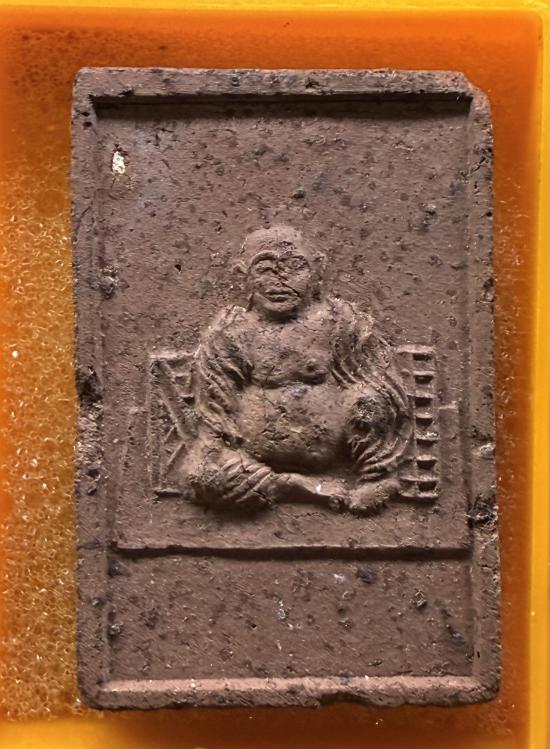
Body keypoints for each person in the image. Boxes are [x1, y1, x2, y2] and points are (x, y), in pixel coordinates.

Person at [181, 224, 411, 515]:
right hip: (252, 460)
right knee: (202, 475)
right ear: (243, 275)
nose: (281, 280)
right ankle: (289, 486)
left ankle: (376, 477)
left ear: (318, 270)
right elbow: (214, 409)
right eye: (265, 269)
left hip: (336, 448)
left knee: (370, 401)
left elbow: (381, 385)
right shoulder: (232, 333)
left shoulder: (340, 323)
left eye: (295, 266)